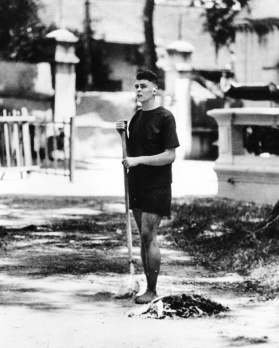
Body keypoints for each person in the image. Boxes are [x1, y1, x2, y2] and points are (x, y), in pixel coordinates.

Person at [116, 69, 180, 304]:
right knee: (143, 239)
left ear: (155, 89)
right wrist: (122, 136)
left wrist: (139, 160)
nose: (139, 90)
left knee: (147, 234)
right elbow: (132, 154)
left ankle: (152, 290)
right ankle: (145, 286)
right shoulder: (136, 118)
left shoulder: (165, 118)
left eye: (143, 86)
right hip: (137, 184)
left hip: (158, 184)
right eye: (136, 86)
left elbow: (169, 155)